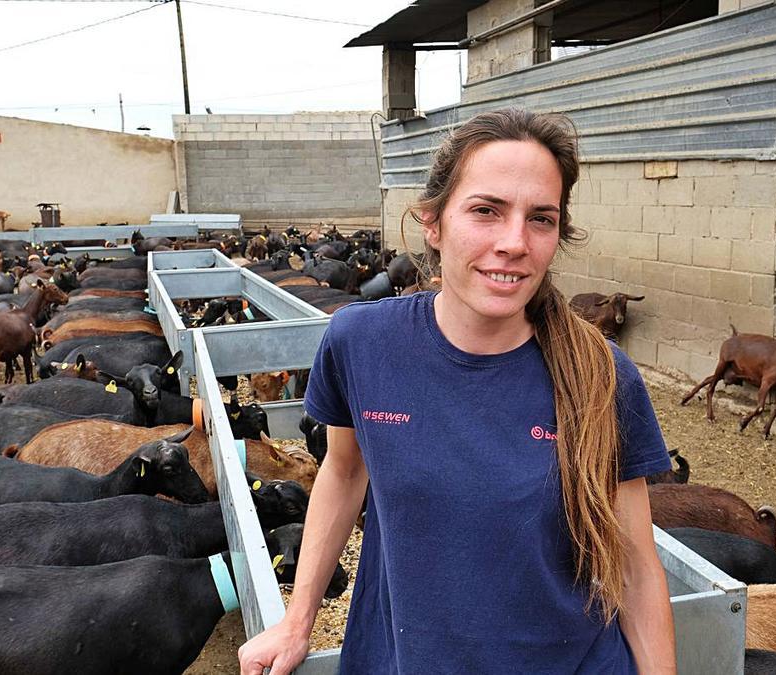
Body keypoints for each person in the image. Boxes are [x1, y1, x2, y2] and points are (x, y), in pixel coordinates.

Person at [238, 108, 676, 674]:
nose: (514, 242)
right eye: (486, 211)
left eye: (540, 219)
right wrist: (298, 620)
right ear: (433, 223)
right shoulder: (362, 343)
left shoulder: (600, 375)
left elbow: (636, 565)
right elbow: (344, 472)